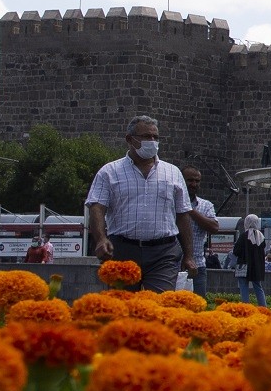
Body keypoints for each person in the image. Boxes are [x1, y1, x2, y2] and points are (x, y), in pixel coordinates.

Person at [84, 114, 197, 293]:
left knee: (158, 307)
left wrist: (189, 255)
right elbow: (96, 207)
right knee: (122, 308)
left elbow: (183, 215)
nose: (152, 141)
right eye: (146, 137)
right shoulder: (109, 172)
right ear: (130, 139)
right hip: (122, 250)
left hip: (164, 252)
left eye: (155, 137)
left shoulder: (173, 173)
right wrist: (101, 239)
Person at [184, 168, 223, 273]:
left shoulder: (206, 205)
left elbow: (214, 227)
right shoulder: (170, 202)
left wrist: (190, 210)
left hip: (197, 265)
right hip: (173, 265)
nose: (194, 184)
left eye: (197, 181)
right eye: (190, 180)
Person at [232, 213, 269, 305]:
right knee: (258, 286)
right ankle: (263, 307)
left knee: (243, 286)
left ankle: (246, 307)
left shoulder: (244, 235)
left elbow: (236, 251)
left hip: (243, 265)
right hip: (257, 266)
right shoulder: (261, 237)